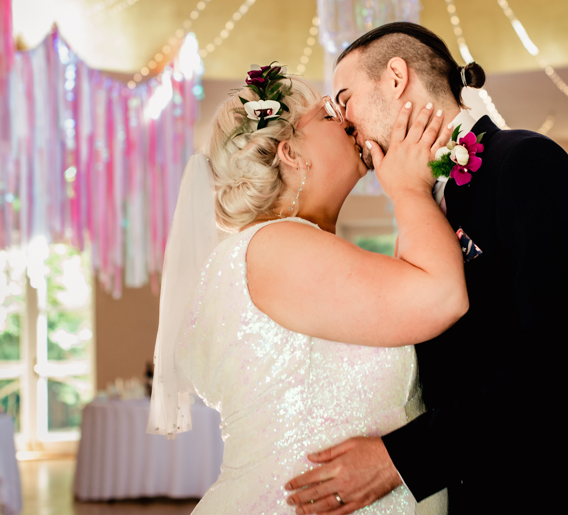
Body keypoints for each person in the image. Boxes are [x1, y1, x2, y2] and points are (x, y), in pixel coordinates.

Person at [285, 23, 568, 514]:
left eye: (346, 98)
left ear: (396, 77)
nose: (345, 122)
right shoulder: (418, 206)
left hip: (562, 488)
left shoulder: (526, 162)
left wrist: (396, 460)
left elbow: (558, 361)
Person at [148, 63, 464, 514]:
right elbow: (442, 298)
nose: (348, 119)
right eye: (328, 115)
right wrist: (408, 191)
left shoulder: (288, 251)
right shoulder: (275, 248)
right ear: (291, 154)